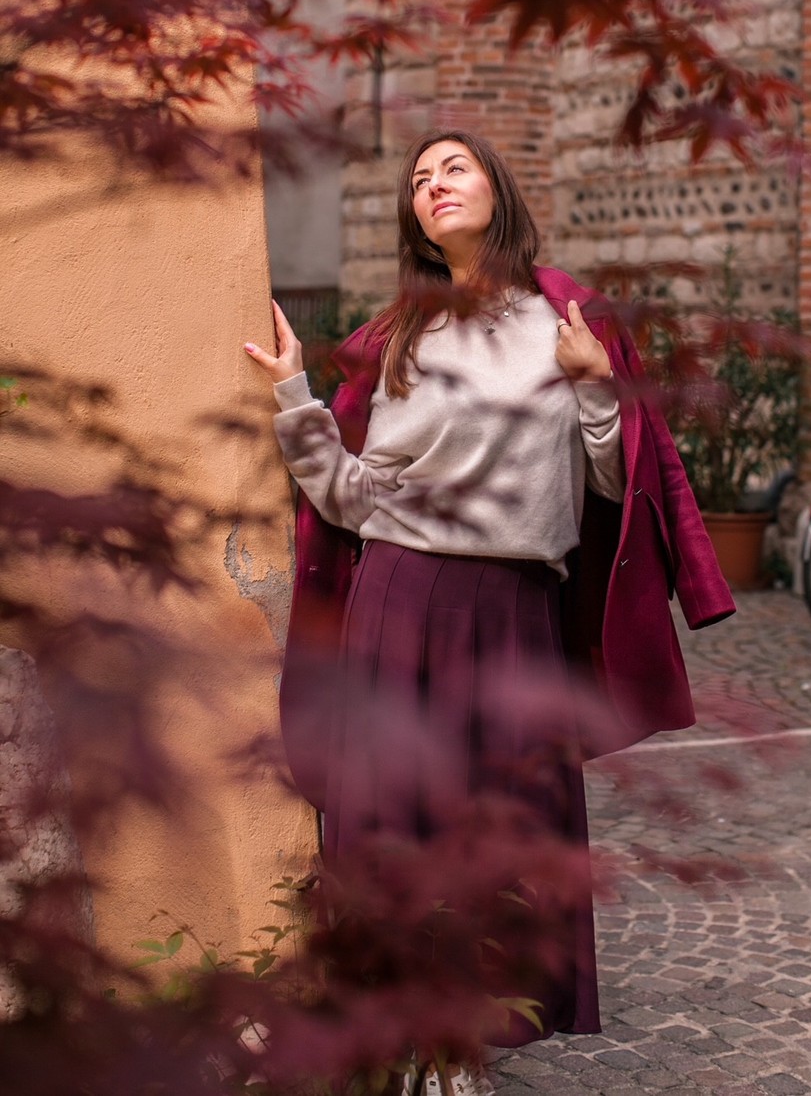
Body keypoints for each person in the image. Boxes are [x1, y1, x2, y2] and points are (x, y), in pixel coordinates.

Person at [245, 129, 735, 1096]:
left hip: (515, 610)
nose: (434, 186)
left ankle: (466, 1037)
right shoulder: (401, 337)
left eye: (452, 167)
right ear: (415, 223)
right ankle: (411, 1043)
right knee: (397, 824)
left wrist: (597, 386)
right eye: (419, 181)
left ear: (495, 187)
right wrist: (294, 396)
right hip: (399, 595)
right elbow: (351, 496)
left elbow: (611, 483)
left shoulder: (566, 314)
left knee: (499, 830)